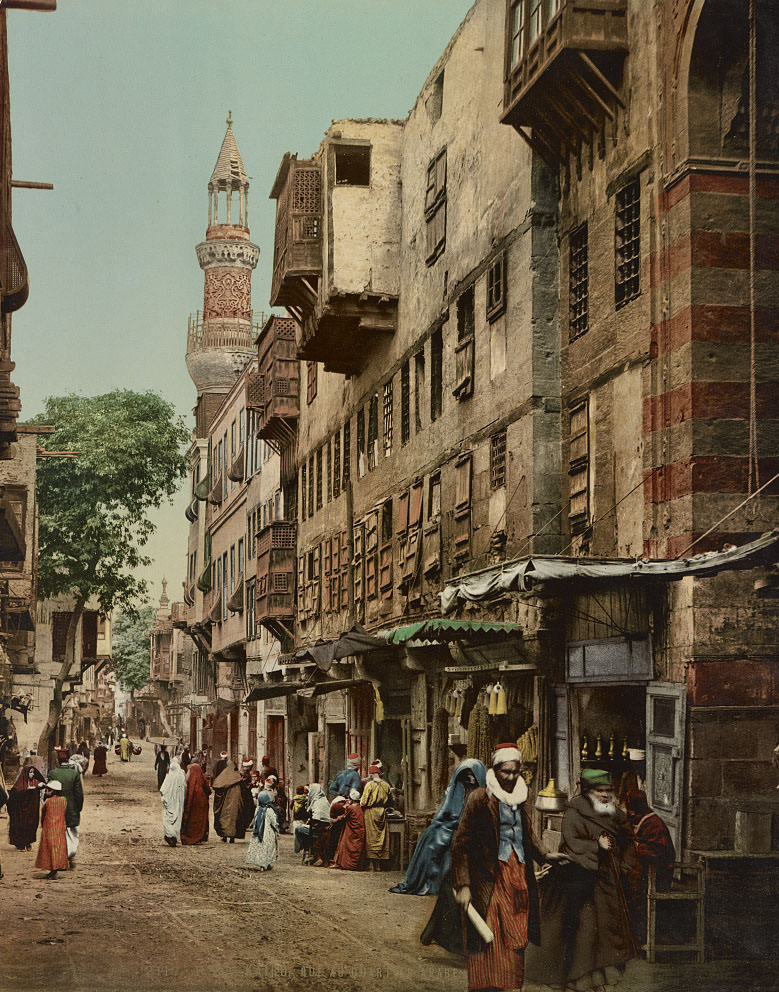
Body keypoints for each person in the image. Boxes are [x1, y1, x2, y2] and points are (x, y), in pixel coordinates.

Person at [526, 768, 639, 992]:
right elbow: (572, 843)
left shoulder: (617, 815)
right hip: (577, 879)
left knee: (605, 930)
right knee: (584, 930)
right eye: (600, 791)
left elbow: (628, 843)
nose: (605, 795)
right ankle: (577, 981)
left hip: (609, 881)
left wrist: (625, 866)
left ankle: (596, 981)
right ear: (588, 792)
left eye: (608, 790)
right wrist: (597, 846)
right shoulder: (574, 812)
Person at [451, 743, 551, 992]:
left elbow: (527, 836)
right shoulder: (480, 798)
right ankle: (488, 985)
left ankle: (512, 986)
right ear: (495, 771)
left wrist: (548, 856)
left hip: (518, 875)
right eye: (506, 772)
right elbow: (460, 843)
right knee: (492, 932)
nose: (511, 777)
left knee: (517, 932)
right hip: (491, 876)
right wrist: (463, 885)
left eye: (516, 772)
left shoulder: (521, 799)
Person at [394, 758, 487, 896]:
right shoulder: (455, 788)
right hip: (448, 824)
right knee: (432, 841)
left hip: (469, 829)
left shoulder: (482, 795)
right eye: (466, 775)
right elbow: (445, 813)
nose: (470, 779)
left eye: (473, 775)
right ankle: (426, 880)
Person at [625, 789, 676, 944]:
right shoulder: (641, 820)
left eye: (631, 809)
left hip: (657, 874)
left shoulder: (654, 824)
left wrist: (636, 845)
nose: (630, 813)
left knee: (631, 891)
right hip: (644, 871)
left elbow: (658, 854)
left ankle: (639, 939)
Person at [48, 749, 84, 869]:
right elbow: (79, 794)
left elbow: (48, 793)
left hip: (56, 808)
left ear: (58, 760)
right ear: (68, 759)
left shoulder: (53, 774)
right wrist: (78, 808)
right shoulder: (74, 774)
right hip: (71, 808)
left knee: (58, 832)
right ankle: (69, 855)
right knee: (72, 833)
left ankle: (59, 856)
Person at [6, 763, 45, 851]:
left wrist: (38, 787)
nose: (32, 774)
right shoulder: (20, 783)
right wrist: (26, 792)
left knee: (31, 825)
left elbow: (42, 784)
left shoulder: (35, 781)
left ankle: (28, 843)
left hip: (31, 810)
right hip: (21, 811)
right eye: (30, 772)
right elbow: (15, 795)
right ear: (26, 773)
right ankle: (21, 844)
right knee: (21, 825)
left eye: (33, 772)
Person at [35, 781, 69, 880]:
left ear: (53, 791)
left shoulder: (48, 802)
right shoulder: (64, 800)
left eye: (48, 790)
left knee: (49, 848)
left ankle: (52, 869)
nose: (46, 792)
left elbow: (43, 814)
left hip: (49, 828)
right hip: (60, 827)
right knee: (58, 848)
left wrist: (42, 825)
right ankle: (56, 868)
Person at [361, 763, 391, 871]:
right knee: (381, 837)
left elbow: (364, 801)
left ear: (373, 774)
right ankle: (379, 864)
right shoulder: (386, 785)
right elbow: (391, 800)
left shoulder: (369, 785)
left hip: (370, 811)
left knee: (370, 837)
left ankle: (371, 864)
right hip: (381, 811)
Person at [213, 762, 252, 843]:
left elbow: (217, 786)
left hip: (226, 804)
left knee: (224, 818)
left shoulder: (224, 777)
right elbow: (245, 789)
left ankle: (224, 836)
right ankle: (232, 837)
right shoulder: (238, 777)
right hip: (236, 803)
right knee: (234, 819)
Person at [330, 788, 367, 871]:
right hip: (359, 830)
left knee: (344, 845)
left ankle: (344, 864)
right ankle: (351, 864)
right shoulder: (359, 807)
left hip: (351, 831)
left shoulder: (351, 808)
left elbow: (344, 817)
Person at [294, 783, 331, 862]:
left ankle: (305, 849)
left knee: (298, 830)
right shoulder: (325, 801)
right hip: (326, 828)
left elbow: (316, 819)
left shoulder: (316, 802)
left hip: (317, 829)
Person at [246, 790, 280, 872]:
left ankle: (262, 864)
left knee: (260, 848)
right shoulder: (270, 810)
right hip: (268, 833)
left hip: (258, 832)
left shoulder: (258, 809)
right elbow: (274, 822)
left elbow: (255, 819)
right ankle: (266, 864)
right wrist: (277, 829)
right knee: (268, 848)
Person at [180, 761, 211, 846]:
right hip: (202, 802)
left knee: (192, 819)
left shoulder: (190, 779)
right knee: (201, 819)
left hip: (193, 802)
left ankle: (192, 836)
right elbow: (208, 789)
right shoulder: (202, 777)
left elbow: (187, 791)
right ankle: (201, 835)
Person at [160, 755, 186, 848]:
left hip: (169, 802)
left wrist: (164, 797)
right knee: (177, 818)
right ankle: (173, 836)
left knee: (168, 817)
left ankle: (169, 836)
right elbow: (185, 787)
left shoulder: (169, 776)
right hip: (178, 802)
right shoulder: (181, 775)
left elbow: (163, 789)